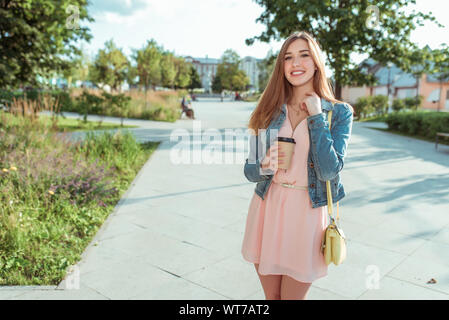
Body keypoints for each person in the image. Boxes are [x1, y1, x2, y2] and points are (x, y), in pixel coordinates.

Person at [241, 31, 354, 300]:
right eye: (288, 57)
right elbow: (249, 171)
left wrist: (316, 116)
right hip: (267, 206)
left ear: (316, 62)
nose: (295, 63)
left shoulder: (337, 112)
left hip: (306, 213)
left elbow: (329, 170)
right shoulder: (269, 109)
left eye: (304, 55)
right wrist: (264, 166)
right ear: (281, 66)